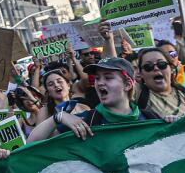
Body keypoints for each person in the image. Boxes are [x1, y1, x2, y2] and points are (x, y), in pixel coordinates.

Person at [28, 58, 159, 141]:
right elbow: (33, 143)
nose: (100, 83)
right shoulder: (86, 121)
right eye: (97, 78)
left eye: (108, 77)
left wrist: (173, 124)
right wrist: (58, 117)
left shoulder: (150, 118)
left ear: (128, 84)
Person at [134, 47, 185, 122]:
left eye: (161, 64)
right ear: (141, 74)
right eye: (148, 66)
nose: (156, 68)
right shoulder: (138, 92)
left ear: (171, 68)